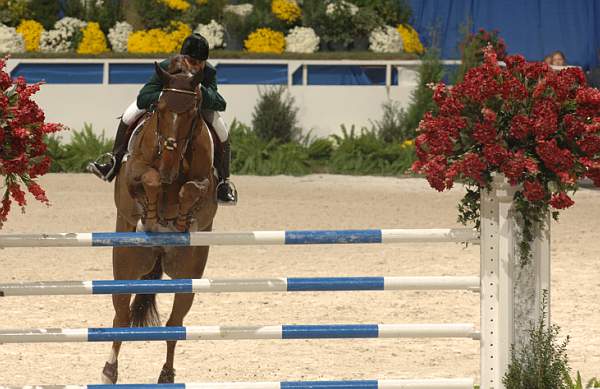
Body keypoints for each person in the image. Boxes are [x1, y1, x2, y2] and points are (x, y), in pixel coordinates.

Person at [88, 33, 237, 205]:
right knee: (129, 114)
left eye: (200, 63)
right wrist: (168, 95)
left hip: (194, 109)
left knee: (222, 131)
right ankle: (113, 161)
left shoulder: (208, 72)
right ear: (183, 58)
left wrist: (199, 91)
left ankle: (223, 183)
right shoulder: (167, 66)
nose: (196, 67)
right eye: (192, 62)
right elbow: (144, 96)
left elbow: (220, 103)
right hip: (166, 107)